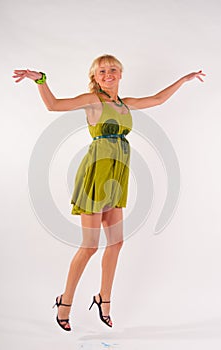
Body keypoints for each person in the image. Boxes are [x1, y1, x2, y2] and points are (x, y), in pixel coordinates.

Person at [13, 54, 205, 332]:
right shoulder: (93, 100)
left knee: (116, 243)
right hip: (96, 175)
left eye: (113, 69)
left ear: (120, 73)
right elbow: (53, 106)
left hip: (116, 178)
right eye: (102, 70)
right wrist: (40, 80)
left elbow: (158, 99)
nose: (108, 73)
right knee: (90, 245)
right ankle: (65, 302)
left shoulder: (125, 105)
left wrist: (184, 80)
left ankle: (104, 298)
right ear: (95, 76)